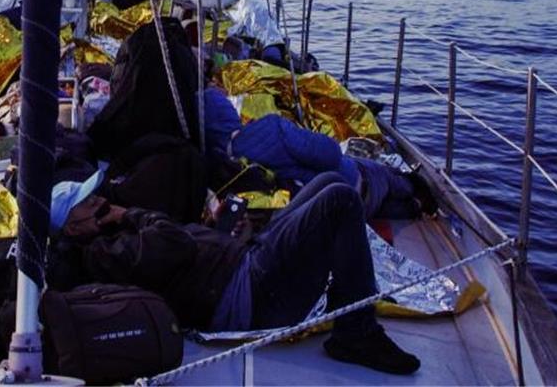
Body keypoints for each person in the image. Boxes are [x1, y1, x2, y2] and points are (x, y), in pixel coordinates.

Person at [53, 172, 421, 376]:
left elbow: (180, 250)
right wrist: (131, 213)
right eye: (87, 204)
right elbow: (173, 244)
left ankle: (351, 310)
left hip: (246, 264)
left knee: (326, 181)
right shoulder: (103, 254)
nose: (100, 201)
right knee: (340, 200)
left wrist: (222, 232)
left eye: (93, 195)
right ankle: (356, 333)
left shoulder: (111, 240)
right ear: (73, 229)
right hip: (253, 296)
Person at [203, 87, 435, 219]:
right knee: (380, 176)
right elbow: (329, 154)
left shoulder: (217, 170)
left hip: (325, 213)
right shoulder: (272, 129)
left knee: (370, 209)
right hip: (350, 185)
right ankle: (414, 188)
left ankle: (412, 207)